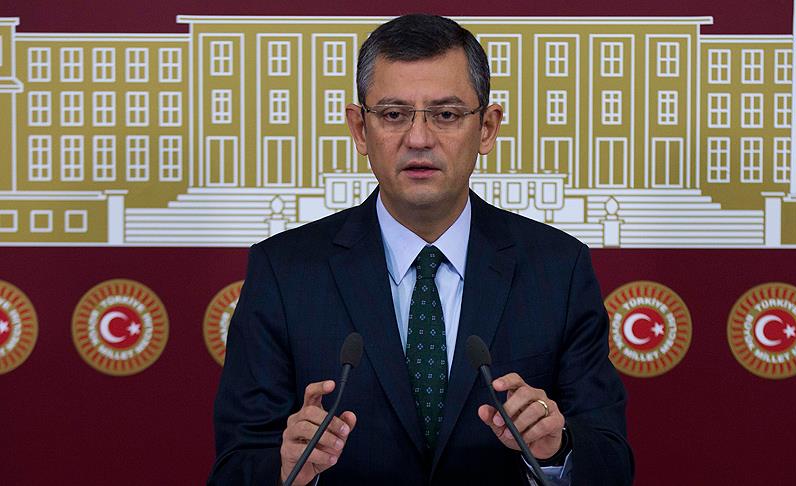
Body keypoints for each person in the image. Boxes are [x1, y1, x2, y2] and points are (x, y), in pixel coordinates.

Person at [208, 14, 633, 486]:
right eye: (394, 114)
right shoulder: (284, 272)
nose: (418, 138)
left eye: (446, 115)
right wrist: (287, 470)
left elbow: (611, 463)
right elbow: (234, 469)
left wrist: (558, 449)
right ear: (359, 129)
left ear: (487, 128)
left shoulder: (558, 269)